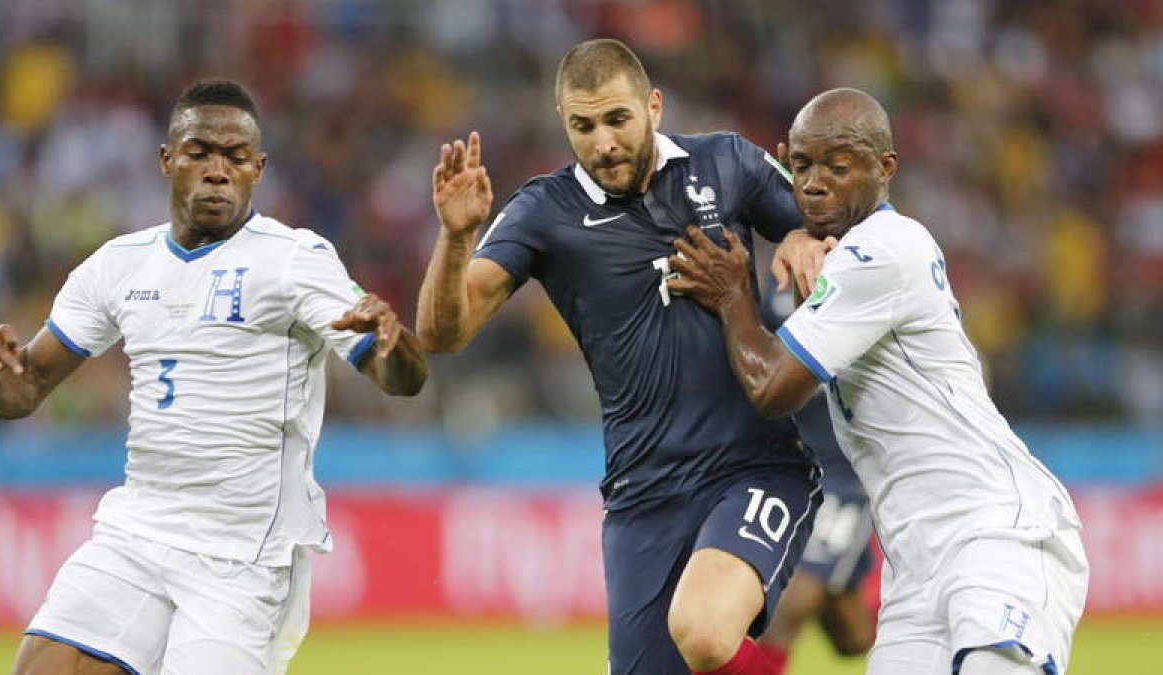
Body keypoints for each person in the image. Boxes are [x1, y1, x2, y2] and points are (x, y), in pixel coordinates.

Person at [0, 79, 428, 675]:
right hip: (137, 532)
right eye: (200, 152)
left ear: (258, 168)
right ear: (167, 160)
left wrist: (395, 346)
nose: (217, 171)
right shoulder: (117, 265)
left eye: (235, 158)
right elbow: (22, 390)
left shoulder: (294, 259)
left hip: (244, 558)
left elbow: (401, 378)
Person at [418, 38, 833, 675]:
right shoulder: (543, 212)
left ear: (654, 107)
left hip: (756, 467)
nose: (603, 142)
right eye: (583, 126)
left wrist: (808, 235)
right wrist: (453, 240)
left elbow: (841, 227)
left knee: (703, 630)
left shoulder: (726, 162)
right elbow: (442, 332)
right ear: (564, 122)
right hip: (642, 494)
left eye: (617, 119)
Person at [667, 87, 1088, 675]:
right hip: (914, 563)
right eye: (802, 166)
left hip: (995, 534)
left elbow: (772, 389)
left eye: (839, 168)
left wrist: (734, 293)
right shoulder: (841, 253)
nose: (815, 183)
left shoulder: (886, 250)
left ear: (885, 167)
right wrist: (791, 238)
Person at [753, 272, 877, 673]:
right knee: (851, 638)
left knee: (784, 612)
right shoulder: (779, 282)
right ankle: (934, 639)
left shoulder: (873, 270)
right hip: (796, 472)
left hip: (846, 479)